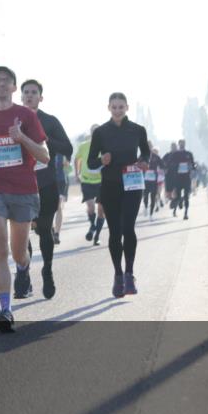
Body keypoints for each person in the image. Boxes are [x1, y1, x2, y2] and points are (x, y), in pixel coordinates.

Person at [0, 67, 48, 333]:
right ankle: (5, 309)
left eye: (7, 81)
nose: (2, 84)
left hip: (24, 189)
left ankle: (24, 266)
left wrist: (22, 138)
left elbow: (44, 156)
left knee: (18, 251)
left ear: (14, 88)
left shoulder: (26, 115)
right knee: (0, 246)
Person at [86, 92, 150, 299]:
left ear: (127, 108)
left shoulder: (138, 130)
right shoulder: (101, 132)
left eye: (121, 107)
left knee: (128, 228)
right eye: (114, 107)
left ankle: (130, 273)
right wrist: (102, 160)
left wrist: (143, 161)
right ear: (109, 108)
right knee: (115, 232)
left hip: (132, 184)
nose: (117, 110)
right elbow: (91, 162)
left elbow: (145, 153)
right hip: (110, 185)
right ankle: (118, 275)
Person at [21, 79, 72, 300]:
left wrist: (46, 141)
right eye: (26, 92)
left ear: (41, 97)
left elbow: (68, 147)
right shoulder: (13, 120)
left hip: (46, 184)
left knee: (43, 229)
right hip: (20, 185)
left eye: (34, 92)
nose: (30, 95)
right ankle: (24, 275)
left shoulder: (49, 121)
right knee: (22, 234)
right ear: (21, 96)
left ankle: (48, 270)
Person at [74, 125, 106, 245]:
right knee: (91, 207)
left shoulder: (105, 146)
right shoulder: (83, 146)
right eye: (94, 132)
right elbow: (77, 159)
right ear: (91, 133)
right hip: (87, 181)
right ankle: (92, 226)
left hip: (102, 182)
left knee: (101, 210)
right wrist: (77, 174)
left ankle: (96, 236)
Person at [167, 139, 197, 220]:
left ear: (185, 144)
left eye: (183, 143)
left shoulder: (189, 154)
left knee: (187, 196)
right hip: (178, 178)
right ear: (179, 144)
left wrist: (193, 167)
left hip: (187, 178)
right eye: (181, 143)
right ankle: (179, 201)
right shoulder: (175, 154)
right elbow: (169, 163)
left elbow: (193, 164)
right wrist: (176, 165)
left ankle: (186, 213)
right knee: (179, 195)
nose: (182, 145)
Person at [52, 155, 71, 244]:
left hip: (60, 180)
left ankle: (56, 234)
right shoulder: (41, 145)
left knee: (58, 206)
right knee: (48, 208)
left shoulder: (61, 148)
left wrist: (66, 161)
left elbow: (67, 164)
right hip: (45, 180)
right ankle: (51, 230)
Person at [142, 144, 162, 221]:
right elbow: (137, 164)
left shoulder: (156, 157)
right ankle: (146, 207)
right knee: (145, 196)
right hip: (145, 180)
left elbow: (162, 164)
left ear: (151, 147)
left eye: (150, 147)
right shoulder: (142, 156)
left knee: (153, 197)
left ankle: (151, 215)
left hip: (154, 180)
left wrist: (164, 168)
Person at [162, 142, 178, 214]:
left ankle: (175, 206)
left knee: (176, 191)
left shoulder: (179, 154)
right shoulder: (167, 155)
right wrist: (164, 168)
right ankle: (172, 200)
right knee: (168, 194)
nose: (174, 148)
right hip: (168, 176)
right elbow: (161, 162)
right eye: (172, 147)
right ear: (171, 147)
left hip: (178, 175)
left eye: (175, 146)